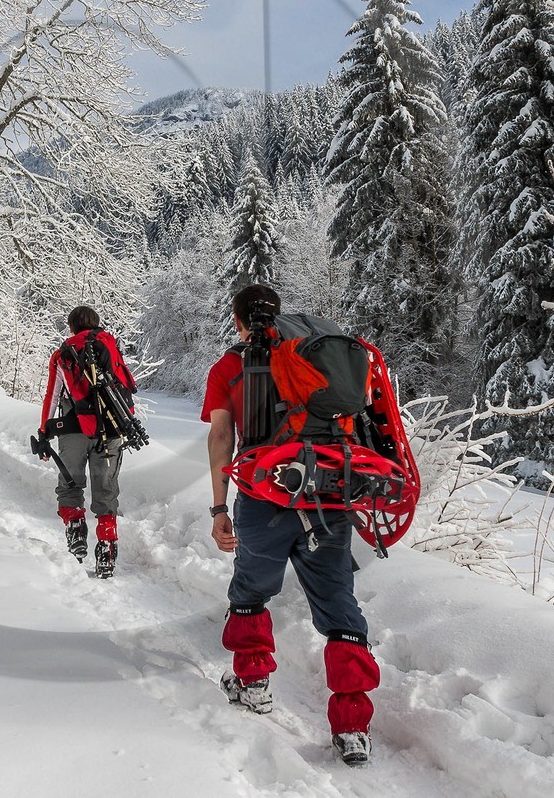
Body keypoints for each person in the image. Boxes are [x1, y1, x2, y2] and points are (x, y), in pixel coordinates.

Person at [201, 283, 380, 766]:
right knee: (338, 602)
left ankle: (253, 682)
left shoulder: (229, 367)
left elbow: (221, 437)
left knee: (251, 589)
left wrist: (219, 509)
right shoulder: (322, 358)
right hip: (330, 495)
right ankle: (352, 726)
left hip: (264, 497)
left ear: (238, 321)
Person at [34, 305, 139, 579]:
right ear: (96, 324)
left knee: (70, 485)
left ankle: (76, 534)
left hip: (73, 431)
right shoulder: (110, 347)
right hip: (111, 430)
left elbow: (52, 396)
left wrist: (44, 431)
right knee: (106, 491)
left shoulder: (62, 355)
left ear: (71, 328)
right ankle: (107, 553)